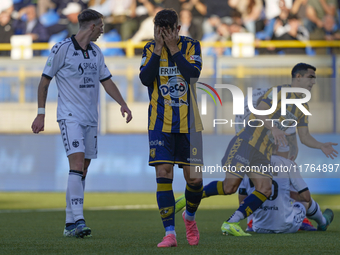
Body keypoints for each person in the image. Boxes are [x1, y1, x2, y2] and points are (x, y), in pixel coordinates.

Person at [176, 63, 338, 236]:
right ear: (298, 77)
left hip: (263, 152)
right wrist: (273, 128)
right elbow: (258, 112)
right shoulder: (278, 92)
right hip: (247, 142)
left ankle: (230, 222)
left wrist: (320, 145)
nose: (313, 81)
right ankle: (187, 198)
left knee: (265, 188)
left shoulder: (303, 108)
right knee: (229, 187)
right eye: (310, 77)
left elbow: (304, 136)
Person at [31, 9, 132, 238]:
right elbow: (44, 82)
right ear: (93, 26)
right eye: (101, 26)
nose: (103, 30)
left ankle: (69, 223)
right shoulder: (62, 48)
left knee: (82, 169)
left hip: (91, 119)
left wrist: (123, 104)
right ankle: (79, 220)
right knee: (76, 164)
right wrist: (40, 114)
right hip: (69, 117)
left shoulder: (96, 52)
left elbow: (107, 82)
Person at [139, 8, 204, 248]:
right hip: (160, 123)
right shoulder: (148, 48)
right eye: (159, 31)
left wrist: (174, 49)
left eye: (169, 30)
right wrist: (158, 49)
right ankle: (170, 233)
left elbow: (192, 74)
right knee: (163, 174)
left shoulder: (191, 46)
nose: (164, 35)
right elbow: (146, 79)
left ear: (178, 29)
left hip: (190, 124)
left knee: (195, 180)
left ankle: (189, 217)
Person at [239, 150, 334, 234]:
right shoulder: (286, 164)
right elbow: (306, 197)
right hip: (286, 227)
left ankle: (250, 224)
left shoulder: (247, 165)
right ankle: (323, 222)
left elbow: (242, 201)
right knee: (305, 201)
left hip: (259, 228)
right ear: (276, 147)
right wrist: (285, 191)